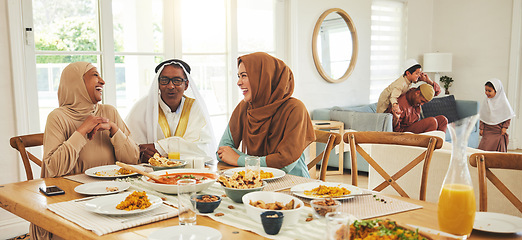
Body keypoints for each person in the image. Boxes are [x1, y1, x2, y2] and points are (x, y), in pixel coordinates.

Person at [31, 62, 139, 240]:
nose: (102, 81)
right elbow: (54, 169)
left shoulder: (108, 112)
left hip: (112, 199)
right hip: (71, 203)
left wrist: (114, 129)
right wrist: (81, 132)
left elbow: (133, 160)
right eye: (95, 75)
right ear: (76, 82)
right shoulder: (58, 118)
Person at [216, 52, 315, 177]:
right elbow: (222, 151)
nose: (239, 82)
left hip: (294, 185)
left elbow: (284, 164)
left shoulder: (295, 109)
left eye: (244, 76)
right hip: (255, 182)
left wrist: (238, 159)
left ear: (263, 78)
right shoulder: (245, 107)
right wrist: (254, 161)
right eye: (239, 76)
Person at [126, 59, 216, 162]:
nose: (171, 86)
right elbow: (131, 147)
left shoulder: (196, 108)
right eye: (164, 80)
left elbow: (200, 149)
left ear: (186, 85)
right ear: (158, 84)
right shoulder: (142, 108)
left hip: (189, 172)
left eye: (177, 81)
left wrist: (159, 147)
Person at [478, 78, 515, 152]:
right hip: (487, 130)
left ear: (497, 91)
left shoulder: (503, 102)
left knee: (497, 148)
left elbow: (508, 116)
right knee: (484, 146)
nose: (487, 93)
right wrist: (481, 128)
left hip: (498, 130)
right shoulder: (486, 101)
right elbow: (482, 116)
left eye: (489, 91)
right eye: (485, 90)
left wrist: (505, 127)